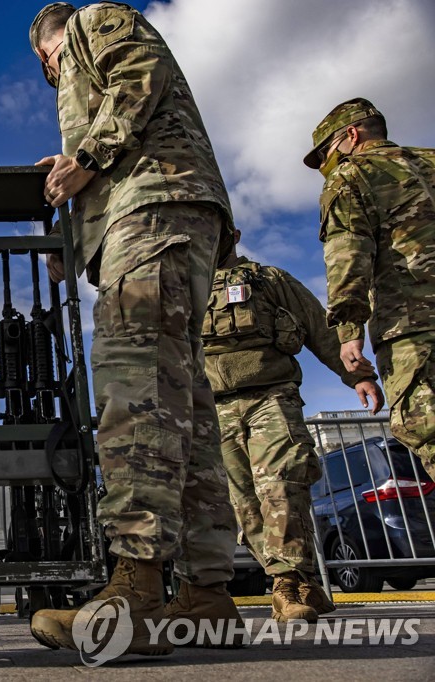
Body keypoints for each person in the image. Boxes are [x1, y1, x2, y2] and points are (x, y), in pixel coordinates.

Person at [28, 2, 241, 655]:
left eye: (50, 66)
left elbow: (137, 75)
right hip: (171, 212)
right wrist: (78, 218)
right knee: (187, 411)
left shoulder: (93, 22)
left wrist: (84, 155)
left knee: (135, 383)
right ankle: (206, 596)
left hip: (155, 210)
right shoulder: (92, 77)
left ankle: (136, 593)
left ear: (48, 48)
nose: (55, 75)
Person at [202, 231, 384, 622]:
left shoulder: (268, 279)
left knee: (281, 486)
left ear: (232, 235)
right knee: (245, 504)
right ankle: (304, 583)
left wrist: (357, 378)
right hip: (216, 407)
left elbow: (321, 328)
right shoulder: (185, 289)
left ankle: (285, 586)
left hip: (271, 397)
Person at [307, 98, 435, 482]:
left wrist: (349, 334)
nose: (328, 165)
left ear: (351, 134)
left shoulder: (351, 176)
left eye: (328, 152)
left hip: (414, 327)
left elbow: (349, 255)